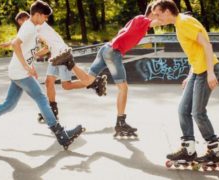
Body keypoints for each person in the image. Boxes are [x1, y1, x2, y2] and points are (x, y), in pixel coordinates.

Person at [0, 0, 84, 150]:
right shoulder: (29, 28)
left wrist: (31, 61)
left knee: (9, 104)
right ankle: (61, 134)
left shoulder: (32, 27)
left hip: (17, 71)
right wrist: (27, 67)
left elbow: (20, 44)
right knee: (41, 98)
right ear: (38, 15)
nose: (46, 19)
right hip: (21, 72)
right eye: (45, 16)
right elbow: (16, 44)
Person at [51, 2, 161, 138]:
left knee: (88, 81)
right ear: (153, 12)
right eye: (159, 13)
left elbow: (122, 33)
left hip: (106, 49)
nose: (160, 16)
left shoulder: (136, 21)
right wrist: (175, 18)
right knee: (123, 88)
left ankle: (70, 63)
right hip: (113, 52)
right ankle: (120, 122)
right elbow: (156, 23)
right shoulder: (144, 20)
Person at [152, 0, 219, 165]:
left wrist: (211, 73)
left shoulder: (184, 22)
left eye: (158, 14)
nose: (157, 17)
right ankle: (189, 149)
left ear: (168, 11)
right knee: (183, 110)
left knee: (198, 113)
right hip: (197, 71)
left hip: (206, 71)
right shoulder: (179, 24)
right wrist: (189, 75)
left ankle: (215, 151)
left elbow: (206, 45)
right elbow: (195, 52)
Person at [35, 22, 107, 123]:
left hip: (62, 55)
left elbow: (45, 47)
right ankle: (52, 111)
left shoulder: (37, 27)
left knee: (66, 85)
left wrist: (33, 54)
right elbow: (48, 47)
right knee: (49, 82)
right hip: (55, 57)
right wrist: (35, 54)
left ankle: (93, 81)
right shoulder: (39, 28)